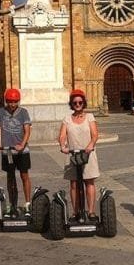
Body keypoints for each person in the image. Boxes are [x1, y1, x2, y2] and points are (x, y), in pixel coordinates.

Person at [58, 89, 100, 221]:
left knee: (89, 182)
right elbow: (62, 135)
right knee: (74, 184)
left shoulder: (90, 117)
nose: (78, 104)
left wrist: (91, 144)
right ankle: (75, 212)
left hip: (88, 154)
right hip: (73, 155)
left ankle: (91, 212)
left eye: (80, 102)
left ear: (84, 103)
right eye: (75, 102)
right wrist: (62, 145)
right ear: (71, 103)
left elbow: (95, 134)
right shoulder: (67, 119)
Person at [0, 88, 33, 216]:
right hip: (8, 151)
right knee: (10, 177)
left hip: (22, 151)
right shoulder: (0, 112)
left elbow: (27, 130)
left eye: (15, 102)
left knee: (24, 176)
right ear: (6, 101)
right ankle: (12, 204)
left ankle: (27, 203)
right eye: (10, 101)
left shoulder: (23, 113)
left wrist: (22, 144)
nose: (12, 104)